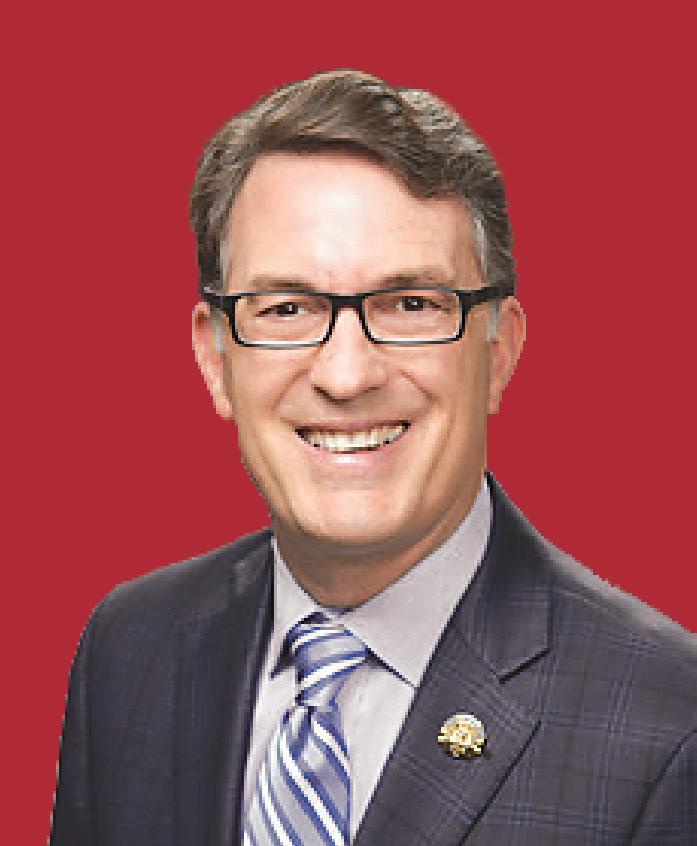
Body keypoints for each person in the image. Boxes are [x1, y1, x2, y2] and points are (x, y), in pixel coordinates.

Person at [50, 69, 697, 846]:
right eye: (287, 308)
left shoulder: (669, 723)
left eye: (410, 305)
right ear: (215, 359)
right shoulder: (130, 647)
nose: (346, 374)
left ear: (497, 352)